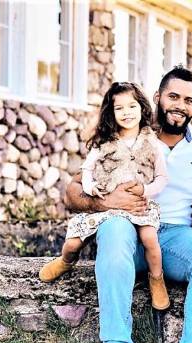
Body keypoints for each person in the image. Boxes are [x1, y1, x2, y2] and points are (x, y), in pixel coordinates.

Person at [64, 66, 192, 343]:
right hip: (127, 228)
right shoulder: (126, 136)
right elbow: (71, 193)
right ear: (157, 98)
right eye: (173, 96)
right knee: (113, 229)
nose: (180, 105)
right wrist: (105, 201)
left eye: (188, 100)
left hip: (174, 237)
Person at [39, 82, 170, 311]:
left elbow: (161, 178)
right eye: (119, 108)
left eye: (132, 106)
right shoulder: (104, 142)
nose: (126, 113)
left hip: (138, 204)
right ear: (111, 112)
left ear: (142, 108)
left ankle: (156, 278)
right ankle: (65, 262)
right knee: (72, 243)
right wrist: (91, 189)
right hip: (106, 205)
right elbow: (87, 170)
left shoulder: (153, 144)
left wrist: (145, 190)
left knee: (150, 239)